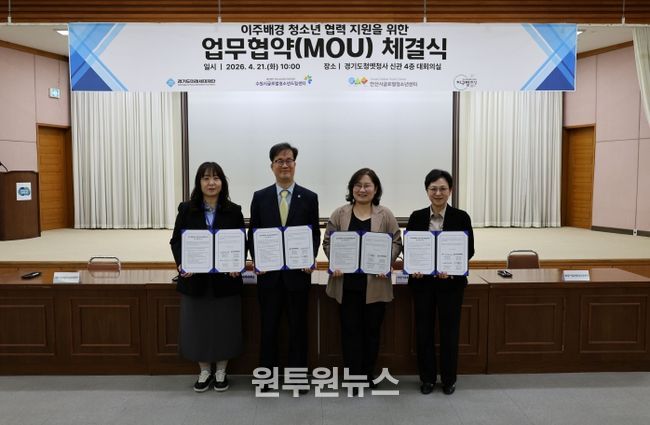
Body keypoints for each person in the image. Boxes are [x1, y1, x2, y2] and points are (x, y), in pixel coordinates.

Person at [323, 168, 402, 390]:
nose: (362, 189)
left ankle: (367, 374)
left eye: (367, 185)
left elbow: (396, 241)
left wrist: (386, 261)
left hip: (375, 285)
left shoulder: (385, 215)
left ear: (375, 189)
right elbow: (328, 242)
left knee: (371, 333)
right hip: (347, 285)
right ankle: (353, 377)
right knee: (350, 334)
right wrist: (335, 261)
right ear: (351, 189)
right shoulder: (339, 214)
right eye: (357, 185)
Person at [170, 162, 244, 393]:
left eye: (216, 178)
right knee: (198, 326)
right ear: (199, 182)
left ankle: (221, 371)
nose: (211, 183)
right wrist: (182, 263)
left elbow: (241, 242)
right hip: (195, 280)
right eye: (205, 178)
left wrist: (237, 264)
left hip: (225, 280)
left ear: (222, 182)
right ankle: (204, 370)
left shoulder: (234, 210)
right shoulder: (186, 209)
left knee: (225, 325)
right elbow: (176, 241)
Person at [248, 143, 320, 381]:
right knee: (268, 328)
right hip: (268, 276)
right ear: (272, 166)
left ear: (295, 165)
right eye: (279, 161)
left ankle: (297, 377)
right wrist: (258, 260)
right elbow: (253, 233)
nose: (285, 165)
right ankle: (266, 377)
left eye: (289, 160)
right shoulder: (260, 197)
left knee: (298, 328)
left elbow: (314, 234)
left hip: (297, 275)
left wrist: (309, 258)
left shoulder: (309, 197)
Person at [407, 169, 475, 396]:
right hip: (423, 285)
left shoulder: (461, 217)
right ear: (427, 191)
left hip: (451, 285)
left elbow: (469, 249)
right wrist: (414, 268)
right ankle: (427, 378)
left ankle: (448, 379)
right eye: (433, 189)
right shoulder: (416, 217)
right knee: (423, 331)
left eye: (443, 189)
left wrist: (453, 269)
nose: (438, 193)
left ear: (450, 191)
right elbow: (410, 249)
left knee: (450, 332)